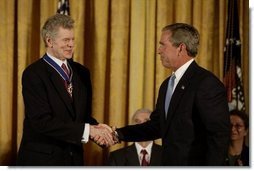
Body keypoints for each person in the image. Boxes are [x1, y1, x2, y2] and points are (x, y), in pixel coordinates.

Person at [110, 23, 230, 166]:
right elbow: (156, 126)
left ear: (181, 48)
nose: (158, 51)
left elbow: (218, 136)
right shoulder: (166, 85)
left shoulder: (206, 83)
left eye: (163, 45)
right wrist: (118, 134)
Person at [16, 14, 114, 166]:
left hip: (73, 159)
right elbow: (42, 122)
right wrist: (89, 131)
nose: (71, 45)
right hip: (43, 161)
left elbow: (82, 117)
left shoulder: (82, 72)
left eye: (73, 39)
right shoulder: (33, 74)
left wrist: (98, 129)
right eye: (66, 40)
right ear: (49, 41)